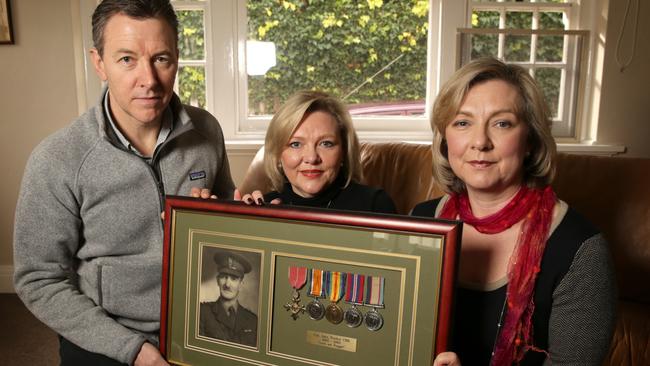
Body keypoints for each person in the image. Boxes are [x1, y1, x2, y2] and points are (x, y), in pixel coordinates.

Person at [12, 1, 235, 365]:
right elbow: (38, 279)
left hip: (200, 324)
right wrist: (133, 351)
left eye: (161, 58)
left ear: (177, 57)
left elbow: (228, 210)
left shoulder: (207, 131)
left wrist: (238, 214)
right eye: (127, 59)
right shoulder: (57, 159)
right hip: (105, 336)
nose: (148, 79)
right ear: (99, 63)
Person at [411, 58, 616, 365]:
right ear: (445, 139)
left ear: (531, 140)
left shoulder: (581, 251)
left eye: (502, 123)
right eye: (463, 122)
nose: (480, 142)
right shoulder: (419, 222)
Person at [239, 90, 396, 214]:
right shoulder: (264, 209)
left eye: (326, 143)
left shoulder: (374, 205)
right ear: (279, 155)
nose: (312, 158)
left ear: (344, 151)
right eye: (295, 144)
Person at [199, 251, 258, 346]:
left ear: (241, 285)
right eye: (223, 277)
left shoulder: (253, 321)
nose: (227, 284)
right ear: (218, 280)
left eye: (234, 278)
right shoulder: (202, 312)